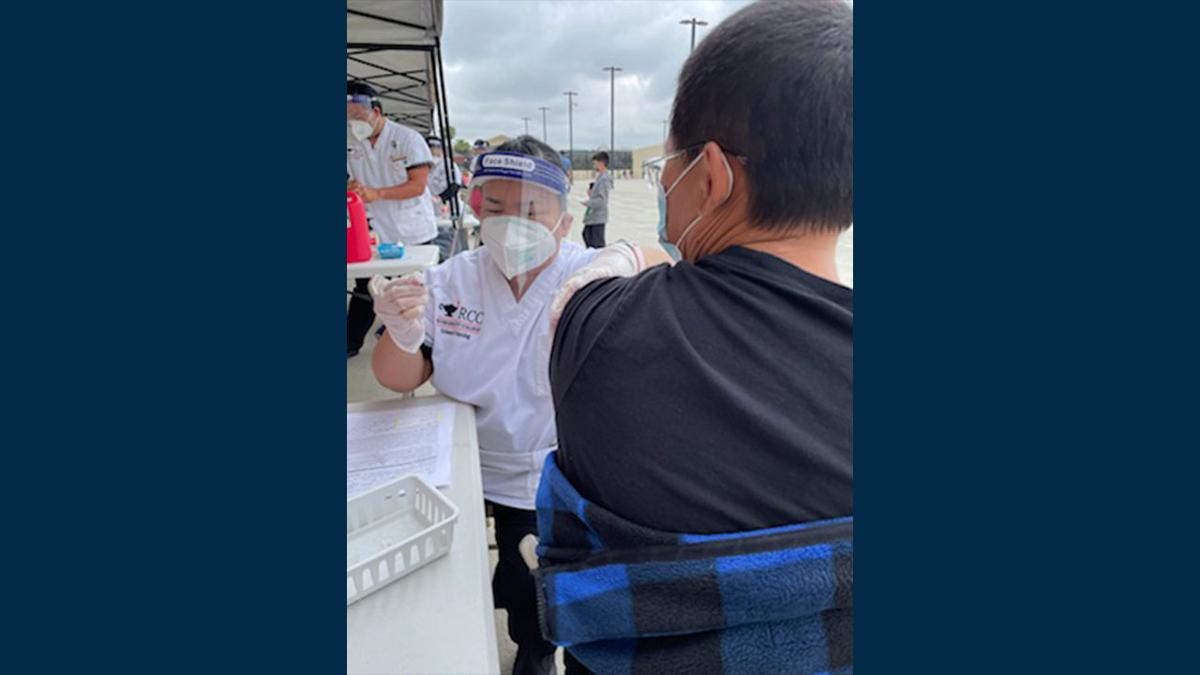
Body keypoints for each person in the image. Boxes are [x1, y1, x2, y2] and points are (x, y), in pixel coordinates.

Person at [537, 1, 854, 673]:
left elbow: (590, 287)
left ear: (711, 176)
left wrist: (639, 255)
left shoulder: (599, 327)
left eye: (667, 170)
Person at [369, 136, 625, 675]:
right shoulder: (451, 279)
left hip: (551, 469)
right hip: (462, 462)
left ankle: (535, 652)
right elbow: (399, 379)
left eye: (532, 210)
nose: (514, 224)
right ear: (477, 206)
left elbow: (652, 269)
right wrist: (401, 333)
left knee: (533, 576)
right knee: (441, 581)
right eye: (498, 208)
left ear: (563, 217)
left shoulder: (587, 276)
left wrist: (626, 256)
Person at [346, 81, 438, 358]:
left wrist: (377, 193)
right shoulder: (349, 143)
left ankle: (425, 343)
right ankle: (349, 343)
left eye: (358, 116)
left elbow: (418, 185)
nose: (353, 123)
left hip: (413, 229)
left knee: (414, 290)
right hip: (377, 230)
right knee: (366, 287)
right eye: (348, 117)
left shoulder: (407, 138)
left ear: (376, 111)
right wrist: (354, 188)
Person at [580, 151, 610, 248]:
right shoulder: (600, 177)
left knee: (597, 244)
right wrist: (591, 193)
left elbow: (602, 200)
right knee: (587, 235)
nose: (594, 166)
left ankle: (600, 261)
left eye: (595, 164)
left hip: (598, 217)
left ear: (601, 163)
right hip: (593, 216)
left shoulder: (604, 179)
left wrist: (588, 203)